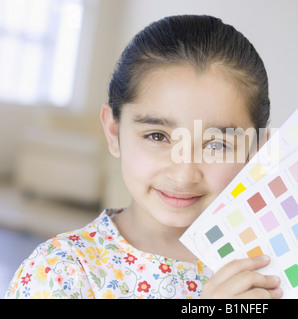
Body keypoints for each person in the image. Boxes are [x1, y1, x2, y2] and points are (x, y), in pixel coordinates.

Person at [5, 15, 282, 299]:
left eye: (217, 145)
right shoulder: (59, 272)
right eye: (157, 136)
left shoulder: (280, 264)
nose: (184, 174)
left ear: (257, 151)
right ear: (114, 132)